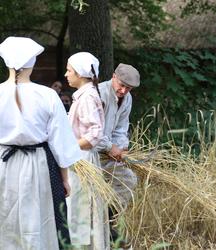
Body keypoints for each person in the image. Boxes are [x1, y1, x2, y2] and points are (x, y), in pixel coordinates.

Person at [0, 36, 81, 250]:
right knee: (39, 222)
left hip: (3, 167)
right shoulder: (47, 96)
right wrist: (64, 179)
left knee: (5, 221)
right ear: (32, 63)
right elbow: (60, 142)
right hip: (38, 168)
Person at [65, 52, 109, 249]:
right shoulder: (84, 95)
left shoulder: (87, 97)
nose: (66, 74)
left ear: (81, 74)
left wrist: (69, 146)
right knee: (78, 208)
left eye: (69, 70)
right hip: (78, 159)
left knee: (81, 208)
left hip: (82, 160)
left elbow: (94, 133)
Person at [97, 63, 140, 244]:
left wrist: (122, 147)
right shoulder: (99, 94)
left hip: (109, 154)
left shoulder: (127, 98)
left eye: (128, 88)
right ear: (114, 76)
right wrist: (109, 147)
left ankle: (106, 222)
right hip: (89, 152)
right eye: (121, 85)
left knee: (128, 180)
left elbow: (122, 128)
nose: (123, 91)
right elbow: (91, 131)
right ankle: (101, 230)